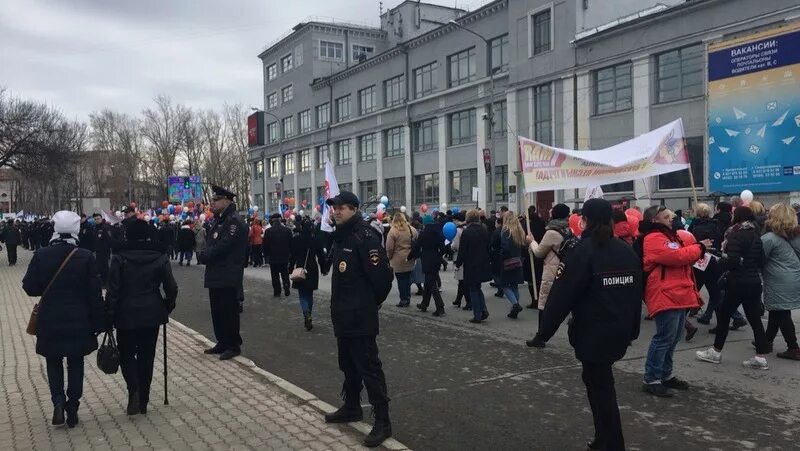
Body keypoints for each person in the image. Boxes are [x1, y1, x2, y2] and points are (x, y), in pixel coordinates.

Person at [530, 199, 642, 451]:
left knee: (601, 389)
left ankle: (612, 442)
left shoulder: (582, 251)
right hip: (619, 331)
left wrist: (543, 333)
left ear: (586, 220)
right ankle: (604, 437)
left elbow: (561, 296)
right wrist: (633, 329)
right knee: (598, 384)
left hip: (592, 332)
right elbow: (637, 295)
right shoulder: (626, 250)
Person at [323, 191, 394, 448]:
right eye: (334, 208)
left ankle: (383, 421)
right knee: (348, 365)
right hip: (342, 316)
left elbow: (383, 280)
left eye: (341, 208)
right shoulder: (341, 237)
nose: (336, 211)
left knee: (369, 369)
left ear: (354, 209)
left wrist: (368, 304)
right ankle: (352, 406)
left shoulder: (365, 237)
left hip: (360, 317)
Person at [22, 211, 106, 428]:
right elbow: (94, 293)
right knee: (76, 361)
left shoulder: (42, 255)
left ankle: (58, 402)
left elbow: (29, 287)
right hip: (79, 318)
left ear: (55, 229)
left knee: (53, 361)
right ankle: (73, 404)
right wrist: (101, 321)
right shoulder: (85, 256)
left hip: (50, 318)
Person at [106, 218, 178, 415]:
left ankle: (133, 391)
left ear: (126, 234)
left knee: (126, 355)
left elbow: (113, 290)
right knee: (147, 356)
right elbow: (171, 287)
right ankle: (144, 399)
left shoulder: (119, 257)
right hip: (152, 312)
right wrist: (167, 306)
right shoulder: (159, 255)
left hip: (125, 312)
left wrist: (108, 315)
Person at [639, 205, 707, 397]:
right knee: (664, 338)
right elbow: (675, 256)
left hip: (677, 291)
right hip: (665, 292)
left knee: (673, 337)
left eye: (671, 216)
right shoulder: (653, 237)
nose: (672, 219)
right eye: (666, 216)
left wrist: (694, 249)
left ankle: (665, 375)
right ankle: (651, 378)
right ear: (655, 220)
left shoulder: (670, 236)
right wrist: (699, 248)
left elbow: (683, 255)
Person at [696, 207, 770, 369]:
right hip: (754, 282)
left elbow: (733, 261)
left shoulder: (735, 235)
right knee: (755, 320)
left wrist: (721, 261)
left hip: (737, 282)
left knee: (723, 316)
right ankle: (760, 357)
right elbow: (762, 261)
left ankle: (716, 351)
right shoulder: (757, 236)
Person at [197, 185, 248, 361]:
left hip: (228, 274)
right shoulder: (220, 220)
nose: (213, 202)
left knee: (229, 311)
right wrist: (204, 252)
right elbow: (211, 242)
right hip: (216, 274)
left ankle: (233, 345)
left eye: (216, 200)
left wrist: (204, 255)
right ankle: (222, 341)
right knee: (217, 311)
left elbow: (224, 246)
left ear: (226, 200)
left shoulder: (234, 221)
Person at [759, 204, 800, 360]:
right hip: (792, 277)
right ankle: (766, 341)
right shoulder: (793, 236)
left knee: (781, 313)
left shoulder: (770, 238)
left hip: (779, 279)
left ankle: (794, 348)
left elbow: (759, 258)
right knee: (777, 310)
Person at [527, 204, 571, 341]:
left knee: (544, 304)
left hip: (551, 270)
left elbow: (539, 253)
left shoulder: (551, 232)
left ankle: (540, 336)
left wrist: (532, 242)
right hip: (563, 268)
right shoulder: (568, 230)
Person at [289, 218, 328, 331]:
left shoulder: (296, 239)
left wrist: (290, 268)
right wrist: (323, 268)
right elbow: (321, 256)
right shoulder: (315, 240)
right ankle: (309, 313)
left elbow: (293, 256)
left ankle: (306, 313)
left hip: (300, 267)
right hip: (312, 268)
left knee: (302, 293)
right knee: (309, 293)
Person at [455, 209, 492, 323]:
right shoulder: (484, 230)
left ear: (468, 219)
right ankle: (483, 310)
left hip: (471, 264)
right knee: (477, 287)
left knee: (473, 289)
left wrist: (458, 263)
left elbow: (463, 250)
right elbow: (488, 247)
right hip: (483, 263)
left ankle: (478, 314)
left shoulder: (467, 232)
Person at [409, 215, 446, 316]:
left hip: (427, 261)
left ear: (424, 223)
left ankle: (440, 307)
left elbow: (416, 247)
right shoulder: (438, 232)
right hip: (436, 260)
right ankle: (424, 304)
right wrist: (438, 256)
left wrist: (410, 257)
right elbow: (443, 248)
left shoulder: (424, 234)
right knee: (428, 283)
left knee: (432, 285)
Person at [385, 212, 417, 308]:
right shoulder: (412, 229)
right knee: (407, 279)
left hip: (397, 258)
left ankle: (403, 299)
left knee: (401, 280)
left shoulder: (393, 231)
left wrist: (389, 257)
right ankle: (407, 297)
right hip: (409, 257)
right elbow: (416, 240)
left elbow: (389, 247)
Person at [499, 211, 526, 319]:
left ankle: (515, 304)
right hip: (518, 260)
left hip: (508, 261)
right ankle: (515, 308)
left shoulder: (506, 231)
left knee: (504, 285)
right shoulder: (520, 231)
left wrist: (500, 254)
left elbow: (505, 248)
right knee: (514, 285)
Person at [263, 213, 293, 297]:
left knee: (275, 275)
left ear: (272, 221)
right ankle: (286, 284)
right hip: (284, 256)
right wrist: (291, 254)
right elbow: (291, 244)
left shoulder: (268, 231)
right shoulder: (287, 230)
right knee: (285, 273)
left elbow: (265, 245)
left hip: (273, 257)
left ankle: (277, 291)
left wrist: (266, 255)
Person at [524, 206, 547, 309]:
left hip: (535, 252)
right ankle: (536, 299)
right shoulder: (540, 223)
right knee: (537, 279)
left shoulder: (532, 224)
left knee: (533, 279)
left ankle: (535, 299)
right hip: (537, 254)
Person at [92, 213, 113, 286]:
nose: (97, 220)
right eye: (95, 219)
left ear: (101, 219)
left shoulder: (105, 227)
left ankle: (106, 282)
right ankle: (101, 282)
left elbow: (109, 239)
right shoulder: (95, 228)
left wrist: (108, 247)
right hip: (98, 251)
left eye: (98, 219)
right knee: (99, 267)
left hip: (105, 250)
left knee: (105, 267)